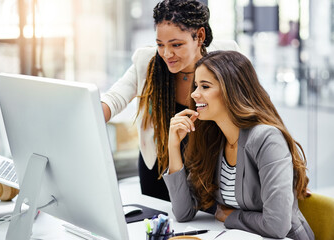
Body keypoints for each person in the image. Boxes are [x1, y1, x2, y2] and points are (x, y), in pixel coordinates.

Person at [164, 51, 314, 239]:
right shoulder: (214, 139)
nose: (194, 94)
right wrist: (173, 146)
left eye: (205, 86)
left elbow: (277, 226)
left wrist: (232, 217)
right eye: (196, 86)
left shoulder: (267, 139)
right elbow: (183, 213)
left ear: (231, 90)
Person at [100, 0, 239, 201]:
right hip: (159, 169)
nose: (167, 54)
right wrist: (89, 117)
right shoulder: (147, 61)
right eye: (160, 44)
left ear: (199, 36)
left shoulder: (226, 57)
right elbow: (114, 99)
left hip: (210, 169)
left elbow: (257, 111)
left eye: (176, 45)